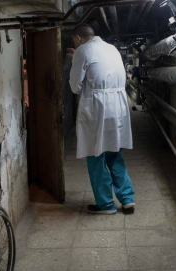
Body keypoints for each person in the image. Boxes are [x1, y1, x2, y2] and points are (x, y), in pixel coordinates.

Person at [67, 24, 135, 215]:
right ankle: (127, 199)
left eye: (74, 40)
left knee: (95, 156)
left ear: (78, 38)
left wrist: (74, 61)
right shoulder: (112, 48)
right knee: (114, 153)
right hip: (118, 107)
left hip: (98, 109)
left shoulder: (82, 50)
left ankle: (106, 204)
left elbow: (75, 87)